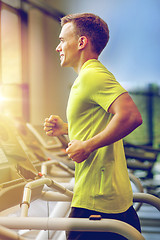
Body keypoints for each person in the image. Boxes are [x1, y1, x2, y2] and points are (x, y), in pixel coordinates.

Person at [44, 13, 143, 240]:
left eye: (61, 40)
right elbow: (101, 123)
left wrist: (87, 146)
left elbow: (131, 116)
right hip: (106, 196)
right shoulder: (87, 78)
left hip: (98, 202)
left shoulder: (92, 75)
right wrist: (67, 128)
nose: (58, 47)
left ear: (81, 42)